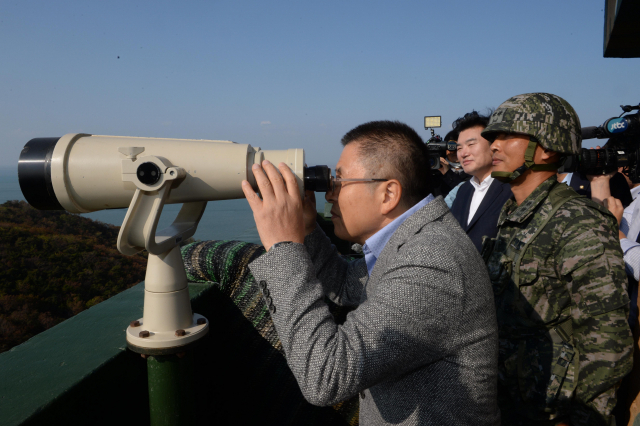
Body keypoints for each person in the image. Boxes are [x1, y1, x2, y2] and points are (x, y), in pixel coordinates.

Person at [241, 120, 500, 425]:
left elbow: (325, 376)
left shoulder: (433, 260)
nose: (329, 194)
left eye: (339, 181)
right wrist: (308, 229)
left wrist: (284, 247)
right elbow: (344, 285)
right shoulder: (412, 239)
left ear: (388, 194)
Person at [481, 93, 633, 425]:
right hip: (508, 402)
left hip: (552, 411)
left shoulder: (577, 220)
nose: (493, 145)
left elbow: (607, 337)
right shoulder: (513, 216)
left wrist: (581, 417)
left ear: (547, 148)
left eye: (507, 135)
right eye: (493, 136)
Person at [449, 111, 512, 252]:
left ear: (493, 145)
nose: (464, 153)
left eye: (471, 144)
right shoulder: (463, 191)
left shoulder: (512, 190)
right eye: (459, 148)